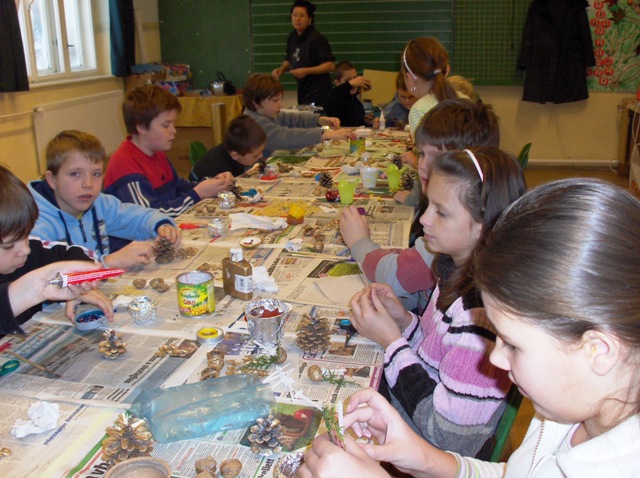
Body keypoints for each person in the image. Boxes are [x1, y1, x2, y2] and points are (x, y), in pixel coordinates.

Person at [300, 178, 640, 478]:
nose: (494, 358)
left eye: (513, 344)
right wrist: (424, 458)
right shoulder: (571, 406)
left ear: (599, 351)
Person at [347, 147, 526, 457]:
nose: (425, 219)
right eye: (429, 204)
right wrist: (404, 322)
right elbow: (437, 351)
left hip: (430, 449)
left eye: (441, 212)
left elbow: (446, 435)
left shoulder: (480, 316)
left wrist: (392, 342)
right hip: (419, 413)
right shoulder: (454, 270)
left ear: (484, 225)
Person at [340, 99, 500, 312]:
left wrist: (359, 242)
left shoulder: (451, 234)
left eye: (438, 158)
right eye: (421, 153)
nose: (423, 165)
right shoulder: (456, 218)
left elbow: (395, 275)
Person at [29, 130, 181, 269]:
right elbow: (45, 280)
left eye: (96, 174)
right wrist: (107, 263)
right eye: (75, 174)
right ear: (52, 179)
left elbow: (137, 217)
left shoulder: (100, 203)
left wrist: (161, 226)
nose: (88, 184)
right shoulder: (35, 225)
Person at [0, 164, 113, 336]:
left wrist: (79, 284)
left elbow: (75, 255)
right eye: (8, 246)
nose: (25, 249)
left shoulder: (31, 251)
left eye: (26, 235)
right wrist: (33, 288)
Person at [104, 84, 235, 218]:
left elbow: (179, 187)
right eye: (166, 125)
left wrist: (214, 183)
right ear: (142, 127)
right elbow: (148, 216)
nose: (174, 130)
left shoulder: (157, 154)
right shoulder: (124, 163)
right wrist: (197, 194)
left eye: (173, 124)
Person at [242, 74, 352, 159]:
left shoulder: (266, 113)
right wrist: (324, 134)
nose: (280, 104)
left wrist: (318, 120)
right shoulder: (253, 123)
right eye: (275, 100)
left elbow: (292, 119)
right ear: (256, 102)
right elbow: (285, 137)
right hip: (253, 172)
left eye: (280, 99)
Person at [401, 37, 460, 170]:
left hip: (446, 180)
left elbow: (430, 169)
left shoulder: (419, 109)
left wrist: (415, 163)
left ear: (410, 78)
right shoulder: (466, 99)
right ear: (447, 70)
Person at [272, 0, 335, 106]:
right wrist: (281, 70)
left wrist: (306, 71)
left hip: (318, 90)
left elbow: (330, 65)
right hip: (303, 89)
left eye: (302, 16)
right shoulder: (292, 37)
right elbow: (290, 58)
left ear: (310, 19)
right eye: (295, 15)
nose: (297, 19)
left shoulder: (316, 38)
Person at [190, 115, 267, 181]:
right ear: (235, 155)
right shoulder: (218, 170)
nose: (261, 156)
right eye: (255, 155)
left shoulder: (236, 148)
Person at [322, 61, 370, 127]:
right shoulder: (333, 98)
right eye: (348, 80)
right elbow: (336, 95)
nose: (355, 83)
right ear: (337, 83)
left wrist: (369, 122)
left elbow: (357, 124)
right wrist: (350, 84)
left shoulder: (356, 102)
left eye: (355, 78)